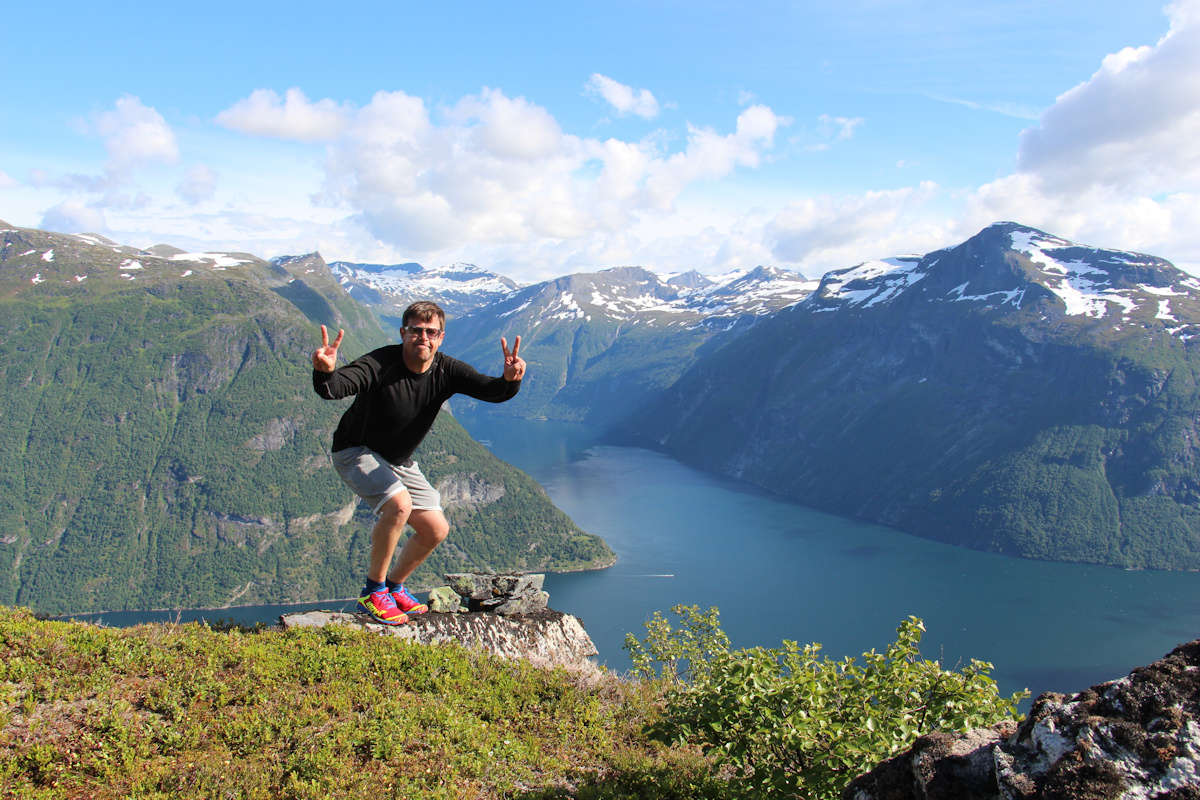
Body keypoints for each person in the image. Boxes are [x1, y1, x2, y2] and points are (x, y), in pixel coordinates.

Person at [312, 300, 526, 625]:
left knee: (436, 530)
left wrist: (510, 380)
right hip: (354, 450)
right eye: (416, 330)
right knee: (399, 505)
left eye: (431, 332)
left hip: (398, 459)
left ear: (440, 338)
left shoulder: (447, 370)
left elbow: (492, 391)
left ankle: (395, 586)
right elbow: (339, 386)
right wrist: (325, 372)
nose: (423, 337)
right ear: (403, 333)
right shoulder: (380, 363)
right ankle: (373, 592)